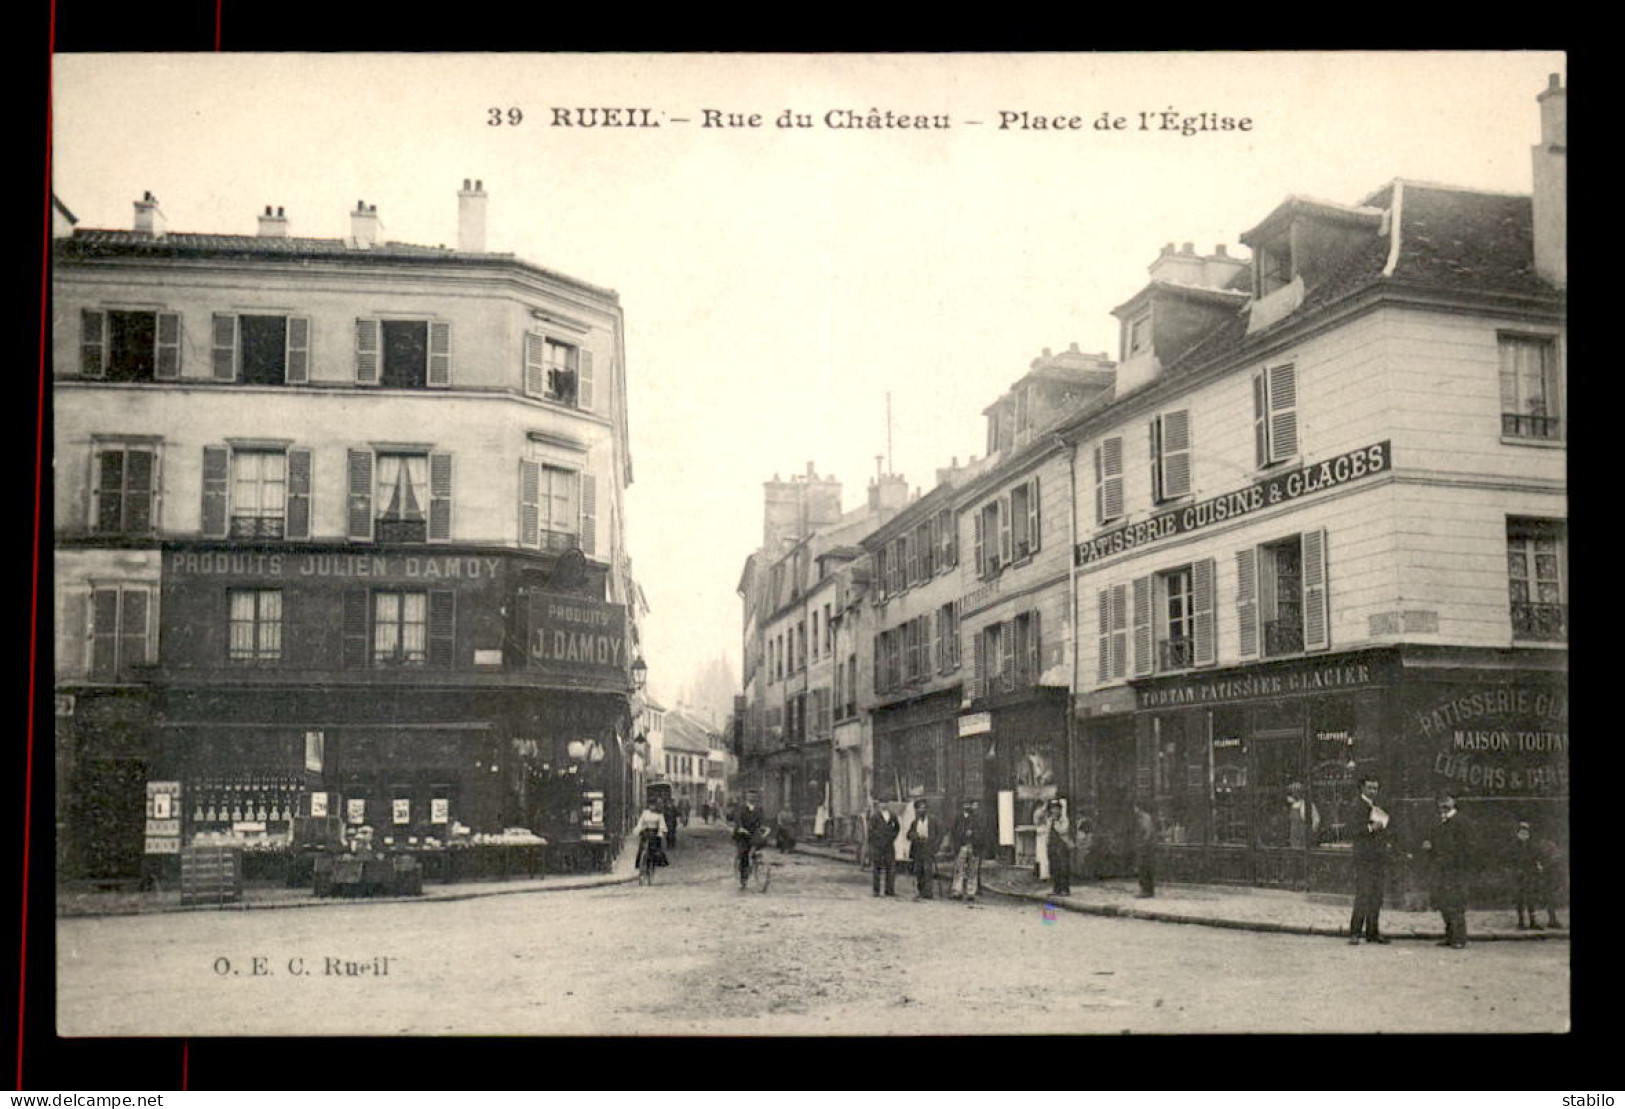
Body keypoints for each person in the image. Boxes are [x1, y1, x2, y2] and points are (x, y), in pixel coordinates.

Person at [1422, 794, 1470, 948]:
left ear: (1454, 802)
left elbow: (1468, 847)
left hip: (1455, 869)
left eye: (1447, 800)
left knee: (1455, 903)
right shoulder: (1437, 821)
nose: (1443, 804)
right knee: (1444, 902)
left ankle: (1459, 938)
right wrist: (1429, 846)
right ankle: (1449, 936)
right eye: (1441, 801)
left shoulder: (1462, 822)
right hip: (1440, 868)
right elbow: (1433, 842)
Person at [1348, 776, 1391, 944]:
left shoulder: (1378, 805)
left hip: (1378, 857)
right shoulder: (1356, 805)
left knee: (1376, 896)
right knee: (1363, 895)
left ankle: (1373, 932)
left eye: (1375, 788)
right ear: (1362, 789)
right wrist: (1371, 828)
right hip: (1364, 858)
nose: (1373, 791)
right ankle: (1355, 932)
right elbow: (1351, 829)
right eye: (1370, 788)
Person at [1512, 821, 1563, 930]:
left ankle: (1532, 921)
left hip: (1530, 875)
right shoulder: (1514, 847)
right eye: (1522, 833)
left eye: (1526, 833)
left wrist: (1537, 867)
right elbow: (1511, 861)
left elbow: (1535, 859)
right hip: (1519, 876)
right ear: (1517, 834)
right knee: (1520, 899)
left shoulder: (1532, 847)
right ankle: (1521, 922)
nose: (1524, 836)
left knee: (1531, 899)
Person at [947, 800, 988, 905]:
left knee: (972, 870)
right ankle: (957, 891)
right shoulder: (958, 818)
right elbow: (953, 832)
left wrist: (973, 833)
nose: (967, 807)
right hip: (961, 846)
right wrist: (955, 844)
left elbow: (982, 831)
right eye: (965, 804)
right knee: (958, 869)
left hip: (973, 846)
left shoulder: (977, 818)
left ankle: (971, 892)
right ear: (962, 806)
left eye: (969, 805)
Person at [865, 798, 901, 897]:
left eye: (885, 803)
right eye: (882, 803)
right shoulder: (875, 817)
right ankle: (876, 890)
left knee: (891, 867)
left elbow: (897, 827)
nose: (883, 805)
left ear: (888, 804)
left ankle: (889, 890)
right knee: (877, 867)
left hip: (889, 845)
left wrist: (893, 836)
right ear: (879, 805)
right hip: (878, 846)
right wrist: (875, 840)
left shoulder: (892, 815)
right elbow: (870, 831)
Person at [732, 791, 767, 889]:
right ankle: (743, 879)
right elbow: (737, 820)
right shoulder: (741, 808)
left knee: (761, 841)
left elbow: (762, 821)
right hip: (742, 833)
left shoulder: (759, 809)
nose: (752, 798)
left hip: (753, 832)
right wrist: (740, 828)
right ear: (747, 797)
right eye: (750, 796)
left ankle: (756, 859)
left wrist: (764, 827)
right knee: (743, 854)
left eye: (754, 796)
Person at [905, 800, 936, 900]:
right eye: (919, 808)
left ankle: (928, 892)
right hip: (918, 848)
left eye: (923, 808)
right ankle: (921, 890)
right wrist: (914, 835)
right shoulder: (915, 822)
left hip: (928, 847)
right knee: (918, 870)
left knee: (927, 870)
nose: (921, 810)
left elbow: (940, 833)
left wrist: (935, 846)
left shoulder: (932, 821)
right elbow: (908, 835)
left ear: (926, 809)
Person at [1046, 800, 1075, 896]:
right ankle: (1056, 888)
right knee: (1054, 867)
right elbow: (1047, 832)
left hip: (1062, 844)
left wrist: (1056, 823)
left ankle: (1065, 889)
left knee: (1063, 867)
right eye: (1052, 808)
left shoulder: (1064, 819)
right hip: (1052, 845)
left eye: (1056, 808)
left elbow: (1063, 830)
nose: (1054, 811)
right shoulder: (1050, 819)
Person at [1131, 799, 1156, 898]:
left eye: (1135, 807)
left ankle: (1145, 890)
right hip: (1146, 846)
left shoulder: (1144, 818)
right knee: (1146, 867)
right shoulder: (1143, 818)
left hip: (1145, 847)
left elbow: (1147, 832)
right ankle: (1148, 890)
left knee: (1143, 867)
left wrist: (1142, 844)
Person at [634, 802, 666, 874]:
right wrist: (638, 830)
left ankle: (654, 862)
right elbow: (641, 822)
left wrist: (660, 833)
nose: (652, 807)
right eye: (651, 805)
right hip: (646, 831)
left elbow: (662, 825)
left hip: (655, 832)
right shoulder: (645, 813)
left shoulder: (659, 814)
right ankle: (640, 863)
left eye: (653, 805)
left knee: (656, 850)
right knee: (641, 847)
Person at [1286, 782, 1321, 850]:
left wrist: (1311, 833)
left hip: (1303, 838)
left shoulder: (1306, 805)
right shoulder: (1292, 805)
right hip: (1294, 837)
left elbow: (1316, 820)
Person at [1032, 799, 1052, 882]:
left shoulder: (1038, 812)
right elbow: (1039, 821)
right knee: (1043, 854)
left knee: (1040, 854)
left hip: (1040, 832)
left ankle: (1038, 871)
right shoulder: (1041, 812)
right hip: (1043, 832)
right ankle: (1044, 874)